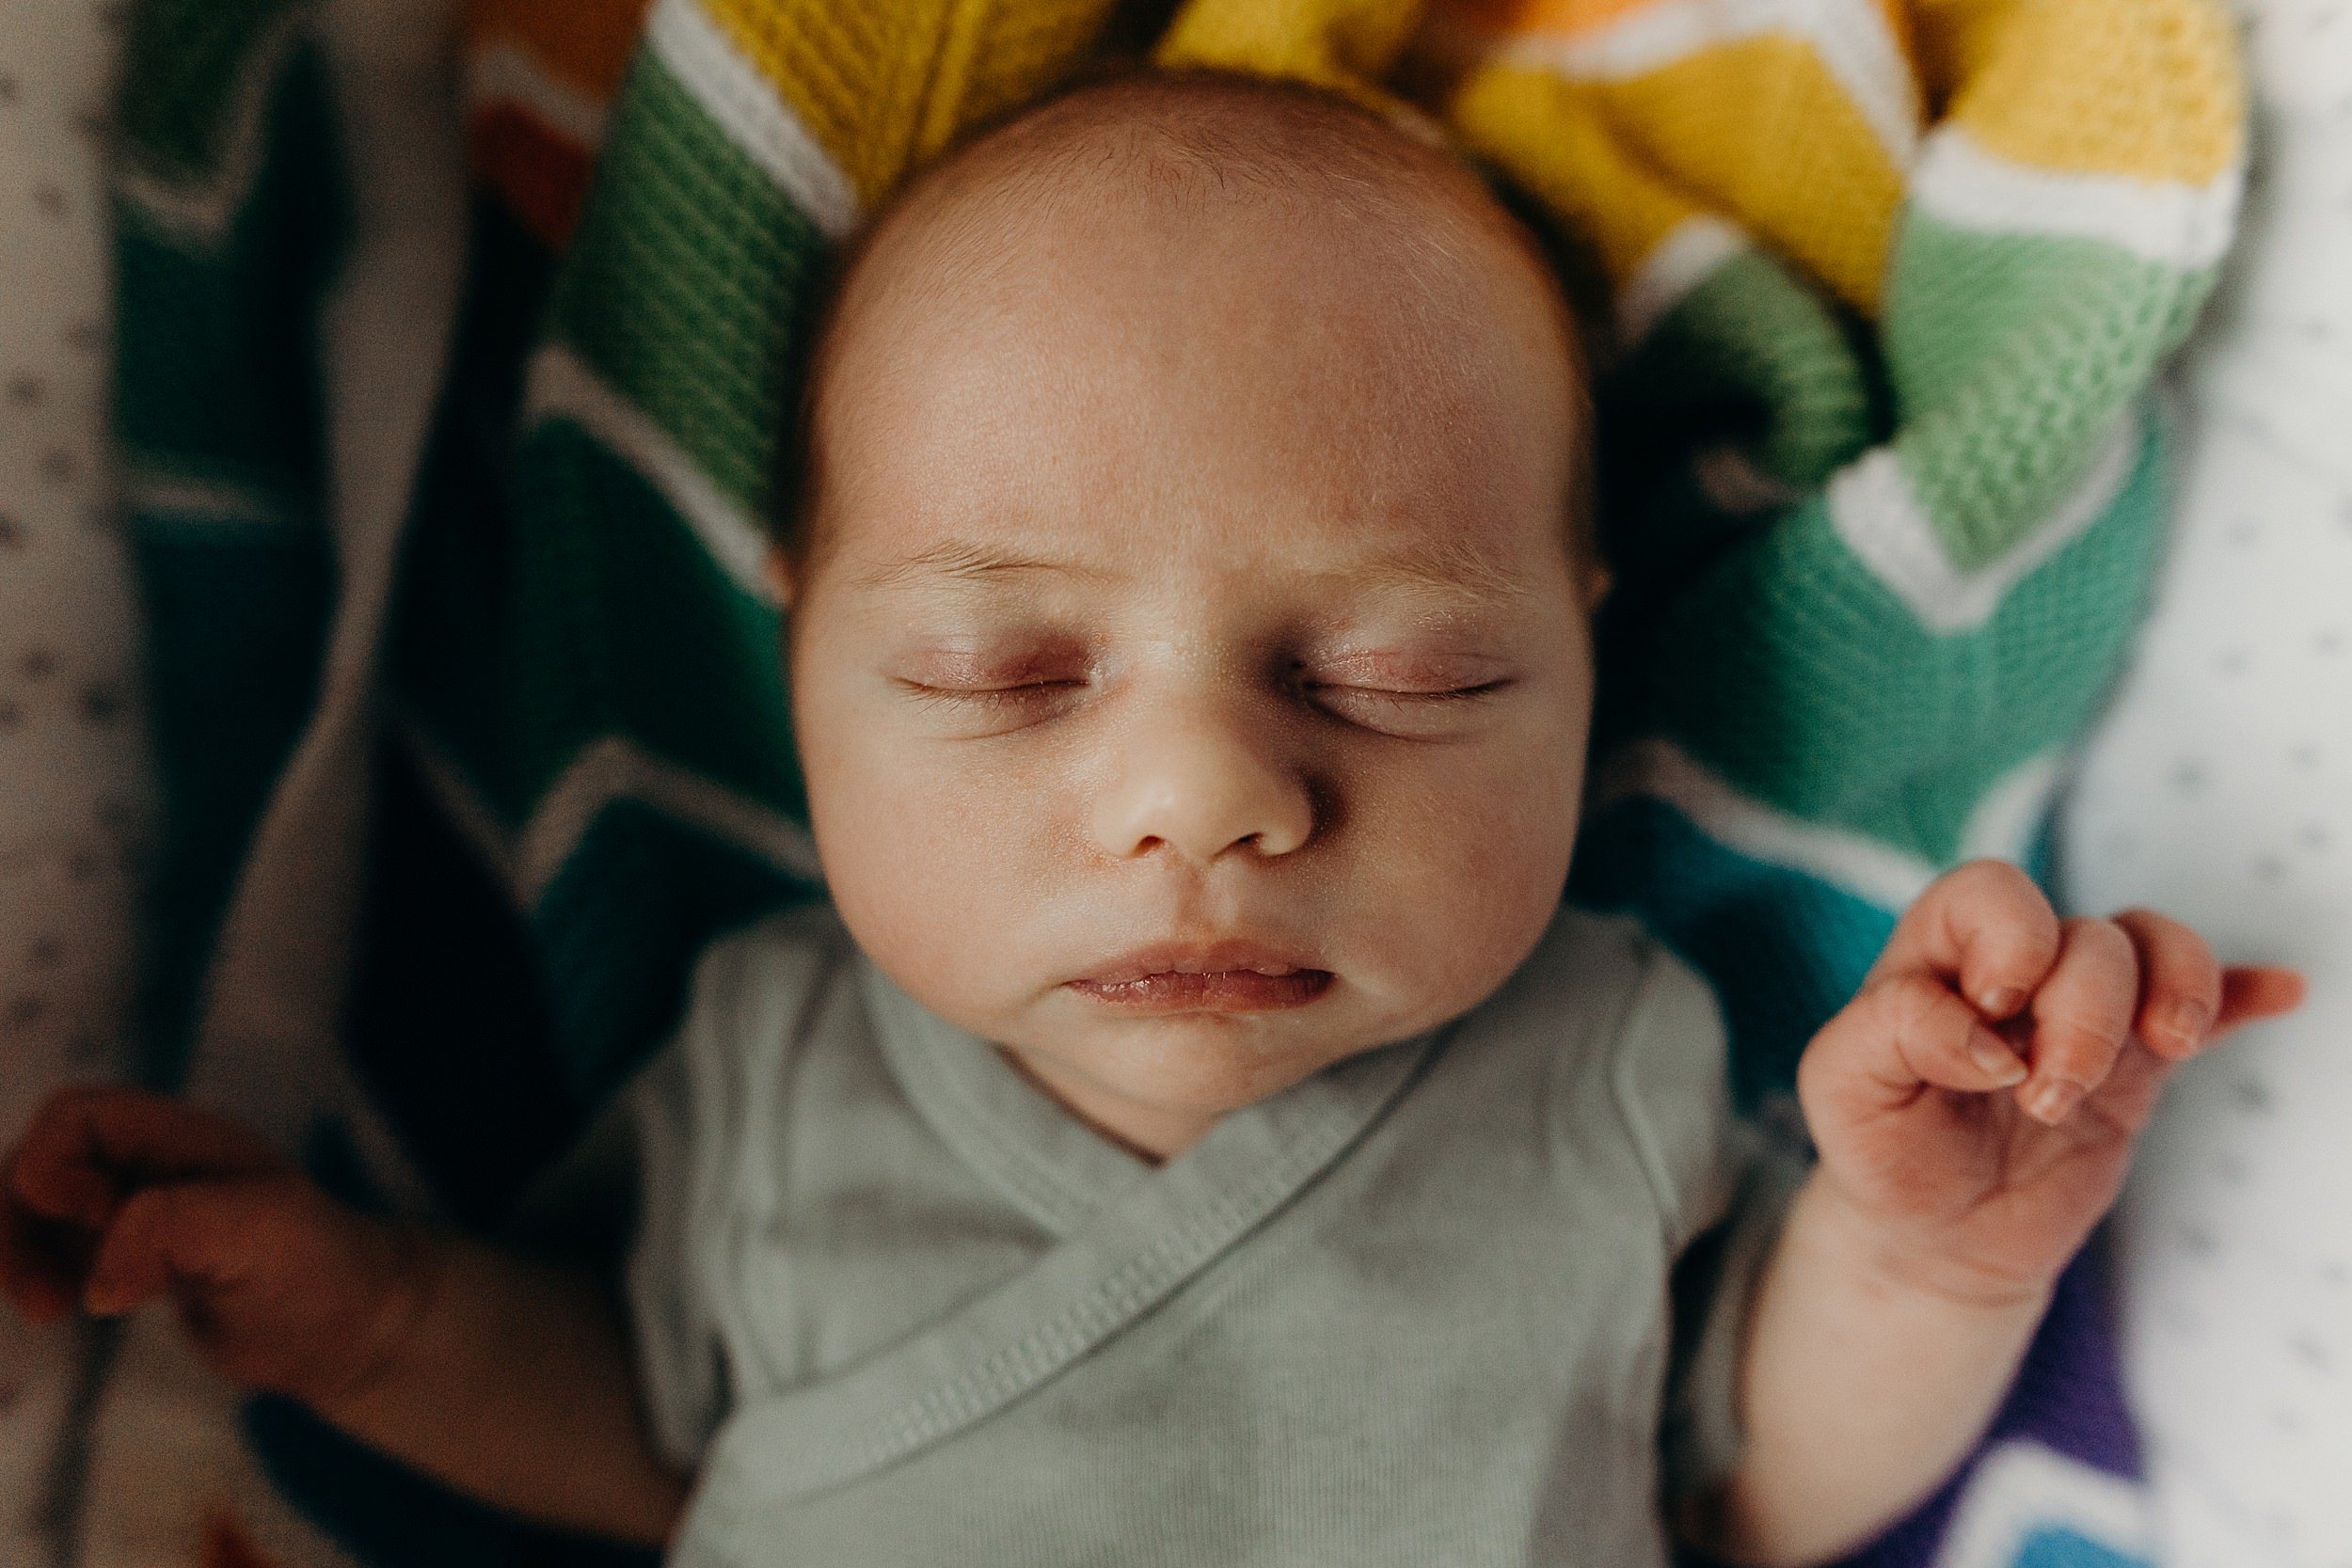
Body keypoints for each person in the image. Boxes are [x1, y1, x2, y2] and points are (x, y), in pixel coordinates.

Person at [0, 71, 2301, 1568]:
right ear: (795, 657)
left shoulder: (1608, 1058)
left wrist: (1926, 1253)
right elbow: (637, 1433)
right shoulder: (776, 1053)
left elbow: (1756, 1494)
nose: (1207, 795)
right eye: (1007, 674)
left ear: (1585, 661)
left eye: (1396, 676)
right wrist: (349, 1307)